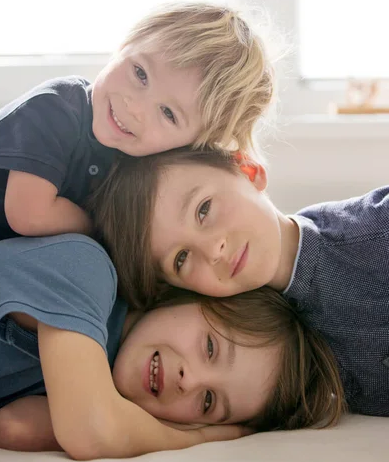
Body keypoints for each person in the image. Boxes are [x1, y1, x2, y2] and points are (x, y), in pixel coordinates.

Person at [92, 146, 389, 418]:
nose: (212, 250)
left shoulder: (376, 230)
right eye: (181, 259)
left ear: (247, 168)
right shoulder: (260, 365)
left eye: (204, 209)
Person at [0, 234, 342, 458]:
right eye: (210, 348)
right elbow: (90, 433)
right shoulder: (85, 269)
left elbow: (13, 427)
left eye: (207, 401)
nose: (190, 381)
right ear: (188, 295)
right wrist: (195, 438)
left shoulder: (96, 385)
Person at [0, 2, 276, 242]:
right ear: (125, 44)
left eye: (168, 113)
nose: (135, 108)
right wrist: (99, 230)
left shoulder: (138, 163)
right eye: (140, 74)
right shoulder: (57, 107)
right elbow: (29, 214)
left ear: (189, 145)